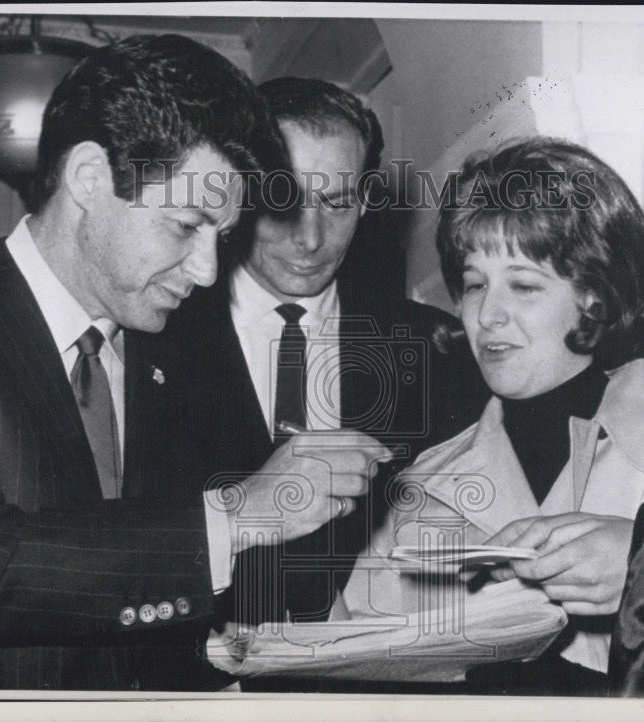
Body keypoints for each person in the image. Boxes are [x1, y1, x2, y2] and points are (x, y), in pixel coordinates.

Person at [0, 35, 387, 691]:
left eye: (223, 235)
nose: (209, 272)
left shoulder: (169, 353)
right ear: (90, 179)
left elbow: (144, 590)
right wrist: (234, 514)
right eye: (186, 225)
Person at [334, 137, 644, 696]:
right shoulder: (419, 491)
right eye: (473, 284)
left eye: (523, 285)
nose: (487, 314)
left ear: (597, 299)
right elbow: (346, 675)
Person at [149, 77, 487, 631]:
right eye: (283, 200)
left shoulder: (436, 348)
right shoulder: (151, 338)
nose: (310, 238)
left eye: (337, 203)